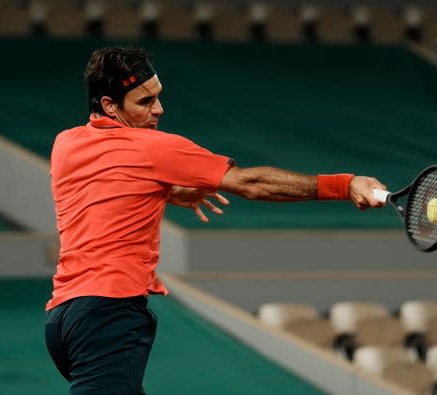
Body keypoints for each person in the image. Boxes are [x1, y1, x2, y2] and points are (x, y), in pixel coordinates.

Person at [44, 45, 387, 394]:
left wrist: (167, 192)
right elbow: (252, 184)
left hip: (62, 321)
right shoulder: (153, 147)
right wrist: (345, 185)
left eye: (157, 96)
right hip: (108, 313)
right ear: (109, 105)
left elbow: (101, 187)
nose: (158, 110)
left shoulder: (65, 144)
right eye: (144, 102)